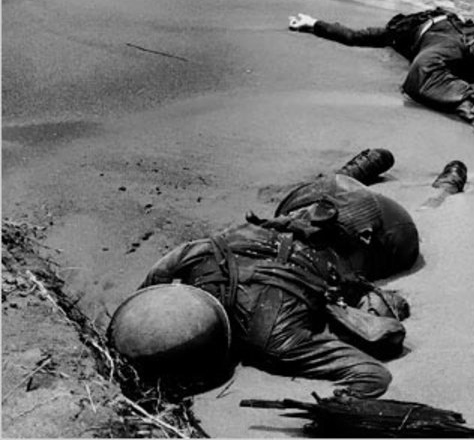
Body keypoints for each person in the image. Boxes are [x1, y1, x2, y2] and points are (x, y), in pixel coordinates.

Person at [109, 148, 450, 399]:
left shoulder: (276, 341)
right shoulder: (201, 258)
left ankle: (435, 188)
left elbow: (371, 375)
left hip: (350, 230)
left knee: (346, 209)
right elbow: (155, 280)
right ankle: (438, 188)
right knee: (344, 209)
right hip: (339, 227)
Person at [288, 7, 474, 143]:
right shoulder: (399, 31)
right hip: (437, 43)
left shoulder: (455, 17)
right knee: (421, 70)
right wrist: (315, 24)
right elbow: (355, 36)